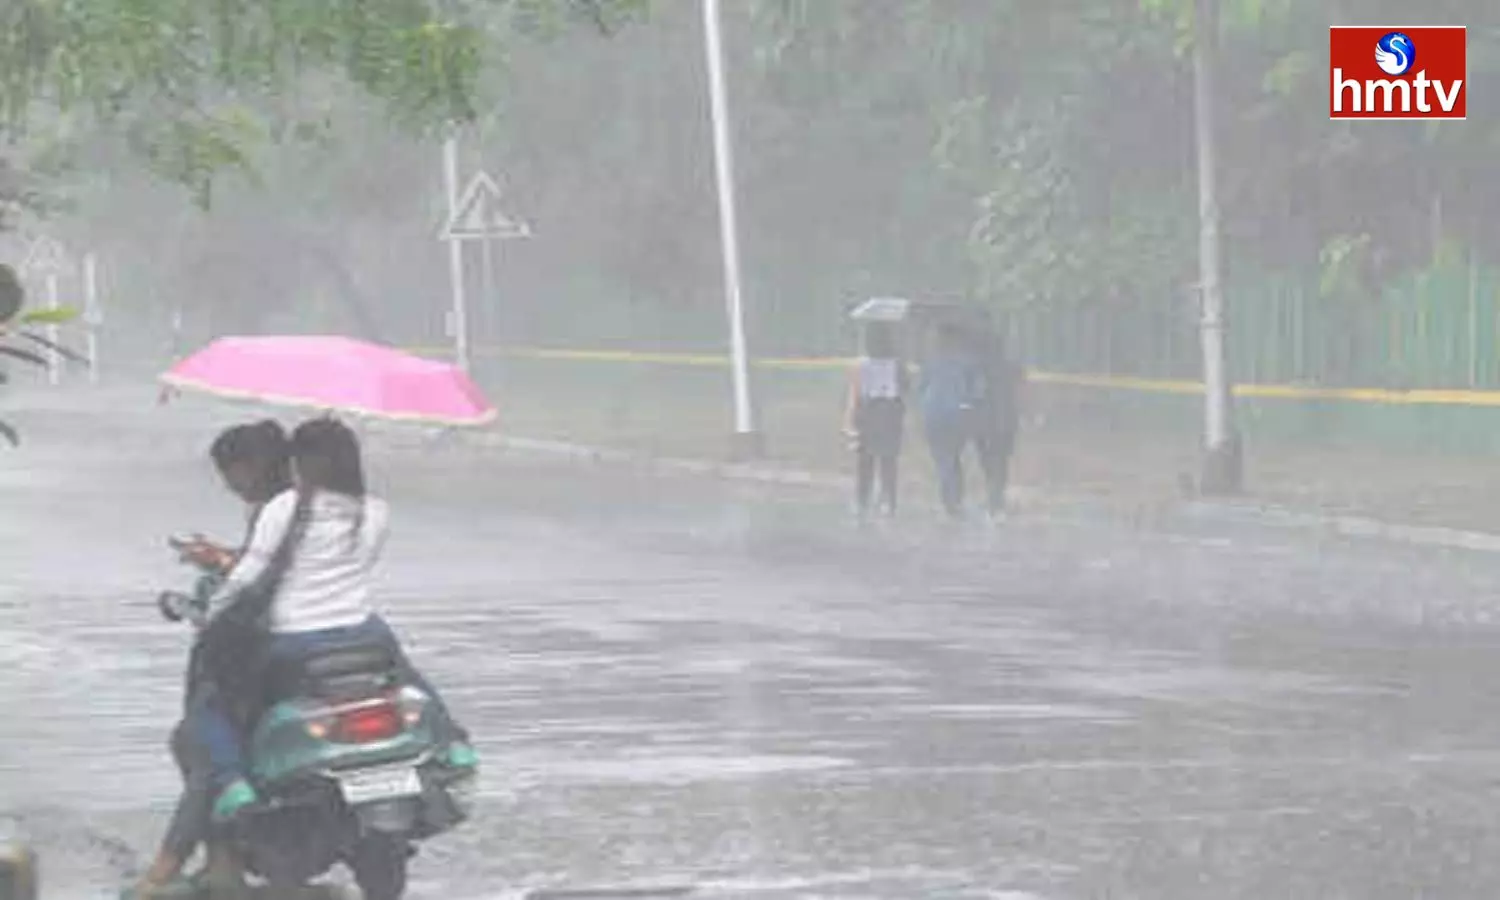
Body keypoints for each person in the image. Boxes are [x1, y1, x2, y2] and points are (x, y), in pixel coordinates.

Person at [194, 416, 475, 822]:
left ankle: (232, 781)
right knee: (407, 674)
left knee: (213, 700)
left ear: (300, 463)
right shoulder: (375, 510)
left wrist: (212, 616)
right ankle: (453, 741)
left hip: (294, 638)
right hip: (363, 631)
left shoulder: (283, 508)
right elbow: (361, 564)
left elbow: (245, 579)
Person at [133, 420, 293, 898]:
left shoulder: (281, 509)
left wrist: (221, 566)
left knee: (198, 743)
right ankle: (223, 859)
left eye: (230, 473)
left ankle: (165, 872)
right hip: (296, 639)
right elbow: (265, 563)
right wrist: (222, 556)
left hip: (260, 646)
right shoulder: (299, 506)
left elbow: (266, 576)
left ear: (251, 466)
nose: (227, 484)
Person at [919, 322, 986, 519]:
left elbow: (921, 388)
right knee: (950, 458)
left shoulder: (934, 362)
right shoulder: (966, 362)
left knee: (945, 459)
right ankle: (953, 500)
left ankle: (951, 501)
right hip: (952, 415)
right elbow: (978, 390)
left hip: (939, 415)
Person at [842, 322, 908, 519]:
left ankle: (863, 500)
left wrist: (850, 419)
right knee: (888, 460)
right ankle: (888, 501)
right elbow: (905, 388)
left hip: (868, 410)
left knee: (865, 460)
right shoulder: (897, 363)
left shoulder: (860, 364)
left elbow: (855, 393)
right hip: (890, 410)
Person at [972, 329, 1024, 519]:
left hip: (984, 421)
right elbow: (1021, 392)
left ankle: (994, 499)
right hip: (1005, 421)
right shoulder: (1012, 367)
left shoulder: (978, 368)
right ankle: (995, 499)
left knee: (988, 461)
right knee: (1000, 462)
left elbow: (974, 394)